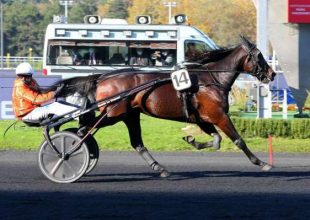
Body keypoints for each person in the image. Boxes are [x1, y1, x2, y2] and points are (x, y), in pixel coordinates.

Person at [12, 62, 79, 122]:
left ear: (30, 76)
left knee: (59, 103)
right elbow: (37, 99)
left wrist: (54, 89)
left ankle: (78, 111)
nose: (23, 78)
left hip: (33, 110)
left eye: (26, 76)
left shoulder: (31, 82)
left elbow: (41, 91)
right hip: (27, 114)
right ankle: (78, 115)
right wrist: (54, 93)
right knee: (55, 106)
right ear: (18, 76)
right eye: (21, 76)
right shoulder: (20, 86)